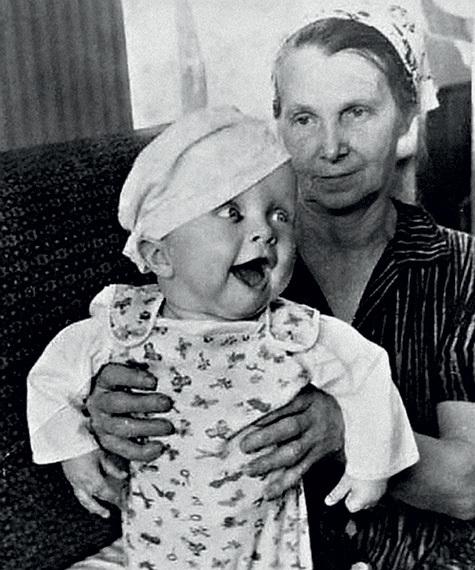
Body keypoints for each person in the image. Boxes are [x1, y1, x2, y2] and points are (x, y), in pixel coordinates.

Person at [82, 3, 475, 570]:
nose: (330, 147)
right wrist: (103, 407)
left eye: (357, 112)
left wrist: (343, 431)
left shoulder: (461, 268)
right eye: (304, 119)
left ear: (407, 113)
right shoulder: (224, 262)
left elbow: (468, 486)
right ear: (278, 124)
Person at [27, 107, 418, 569]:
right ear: (160, 255)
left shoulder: (291, 331)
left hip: (269, 551)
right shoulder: (123, 324)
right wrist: (75, 450)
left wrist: (370, 465)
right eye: (232, 213)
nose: (265, 232)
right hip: (155, 547)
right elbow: (50, 378)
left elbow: (366, 371)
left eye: (280, 215)